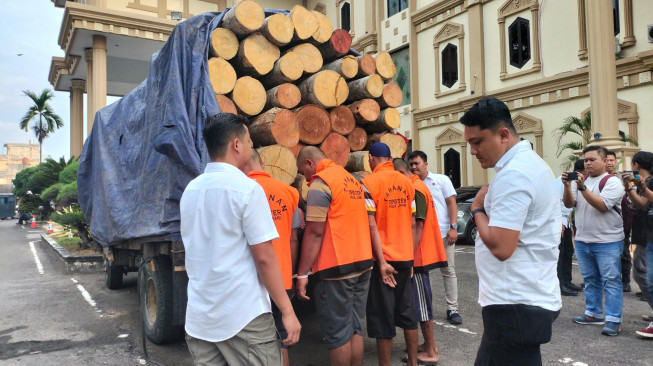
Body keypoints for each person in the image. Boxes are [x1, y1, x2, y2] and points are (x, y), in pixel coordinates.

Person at [180, 113, 300, 365]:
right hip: (244, 318)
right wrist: (287, 312)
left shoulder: (191, 190)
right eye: (249, 141)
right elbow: (265, 259)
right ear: (236, 145)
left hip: (200, 319)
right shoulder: (247, 190)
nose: (250, 147)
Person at [460, 97, 561, 365]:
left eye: (477, 142)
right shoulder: (530, 164)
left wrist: (477, 209)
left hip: (514, 302)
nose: (472, 151)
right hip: (524, 298)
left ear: (503, 134)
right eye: (469, 143)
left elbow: (502, 247)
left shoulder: (514, 175)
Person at [294, 146, 374, 366]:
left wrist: (302, 274)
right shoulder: (353, 180)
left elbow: (314, 231)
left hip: (337, 269)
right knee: (355, 329)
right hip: (363, 264)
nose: (306, 178)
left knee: (338, 335)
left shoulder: (322, 183)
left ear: (310, 163)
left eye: (304, 172)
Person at [362, 142, 418, 366]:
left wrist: (382, 262)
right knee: (407, 313)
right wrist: (411, 257)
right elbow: (413, 223)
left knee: (382, 316)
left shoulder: (368, 183)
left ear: (370, 158)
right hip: (405, 257)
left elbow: (371, 226)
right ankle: (413, 362)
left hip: (382, 260)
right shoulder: (407, 183)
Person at [244, 150, 300, 366]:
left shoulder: (241, 192)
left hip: (252, 281)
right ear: (263, 163)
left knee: (254, 344)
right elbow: (293, 240)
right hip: (282, 276)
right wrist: (292, 275)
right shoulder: (289, 192)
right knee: (281, 341)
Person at [563, 145, 624, 336]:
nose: (587, 163)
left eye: (592, 159)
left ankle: (613, 320)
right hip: (582, 239)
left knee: (611, 280)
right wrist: (568, 186)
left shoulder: (612, 182)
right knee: (590, 279)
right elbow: (569, 204)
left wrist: (582, 187)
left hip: (608, 241)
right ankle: (593, 313)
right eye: (586, 160)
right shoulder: (581, 181)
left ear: (605, 161)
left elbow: (603, 206)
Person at [394, 158, 448, 365]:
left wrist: (408, 255)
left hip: (418, 256)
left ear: (400, 173)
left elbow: (418, 224)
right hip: (421, 253)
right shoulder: (419, 186)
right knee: (421, 302)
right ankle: (427, 345)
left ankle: (432, 350)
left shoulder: (415, 189)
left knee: (422, 305)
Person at [408, 150, 463, 325]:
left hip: (444, 234)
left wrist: (453, 228)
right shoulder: (411, 184)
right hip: (423, 236)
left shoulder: (441, 180)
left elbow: (451, 203)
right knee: (425, 273)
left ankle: (452, 309)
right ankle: (426, 309)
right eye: (411, 164)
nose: (414, 167)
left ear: (426, 164)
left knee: (448, 271)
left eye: (417, 163)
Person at [621, 151, 653, 338]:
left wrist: (636, 188)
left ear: (637, 164)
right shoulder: (645, 183)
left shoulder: (650, 182)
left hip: (646, 236)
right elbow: (640, 203)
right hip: (645, 234)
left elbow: (639, 204)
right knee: (644, 276)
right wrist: (630, 188)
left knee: (643, 276)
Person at [555, 160, 584, 296]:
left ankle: (567, 281)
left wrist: (570, 223)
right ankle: (560, 285)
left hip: (566, 221)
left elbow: (570, 205)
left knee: (568, 252)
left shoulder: (577, 182)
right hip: (557, 221)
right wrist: (558, 221)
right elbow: (555, 201)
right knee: (559, 255)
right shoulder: (564, 182)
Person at [606, 150, 633, 292]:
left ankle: (626, 281)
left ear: (616, 162)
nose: (609, 163)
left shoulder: (622, 178)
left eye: (612, 160)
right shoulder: (600, 178)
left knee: (624, 253)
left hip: (623, 221)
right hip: (605, 223)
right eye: (607, 160)